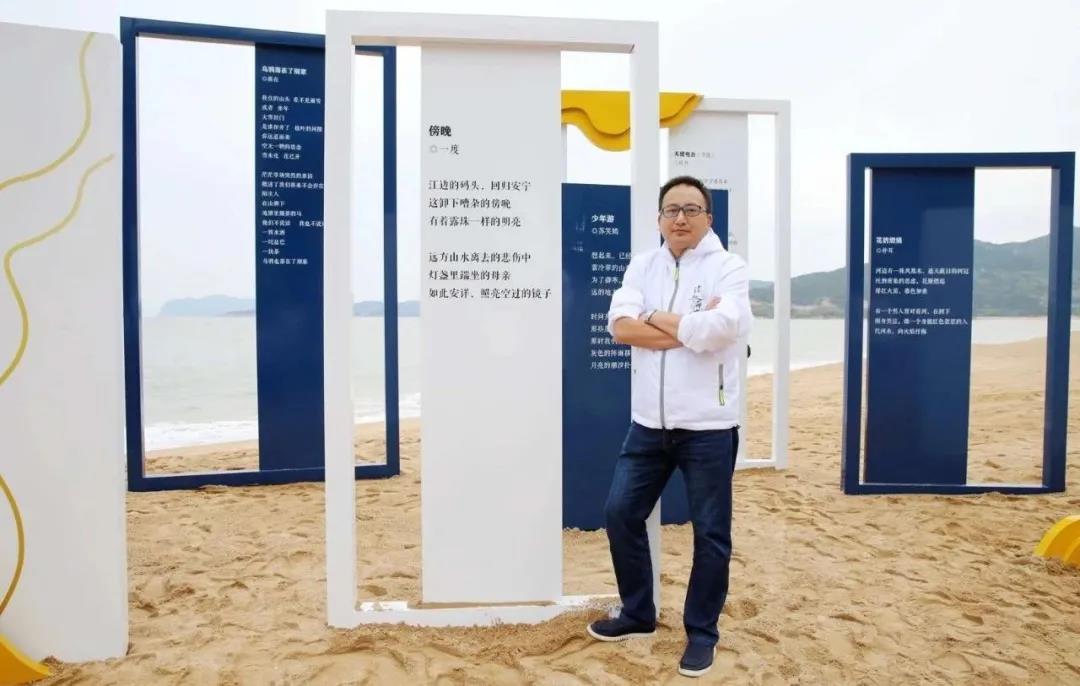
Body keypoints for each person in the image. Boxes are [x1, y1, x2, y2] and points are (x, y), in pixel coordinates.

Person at [585, 174, 752, 678]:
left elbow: (722, 328)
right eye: (671, 210)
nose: (680, 218)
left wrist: (654, 315)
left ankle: (702, 633)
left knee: (711, 534)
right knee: (620, 513)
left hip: (709, 426)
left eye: (691, 209)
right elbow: (620, 327)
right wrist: (688, 329)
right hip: (647, 425)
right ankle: (638, 614)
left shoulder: (728, 268)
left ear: (708, 218)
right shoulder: (643, 264)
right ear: (659, 218)